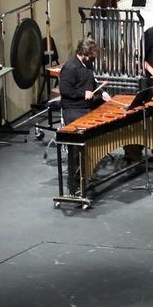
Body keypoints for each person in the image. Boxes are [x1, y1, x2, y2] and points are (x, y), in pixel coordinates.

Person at [59, 38, 113, 192]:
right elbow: (65, 90)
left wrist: (102, 93)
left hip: (87, 106)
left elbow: (93, 83)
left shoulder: (88, 64)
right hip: (73, 109)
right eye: (90, 56)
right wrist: (83, 93)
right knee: (76, 149)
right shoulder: (70, 68)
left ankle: (86, 173)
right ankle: (74, 184)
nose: (92, 59)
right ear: (82, 53)